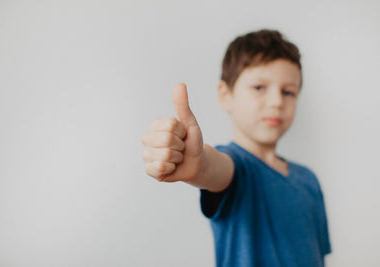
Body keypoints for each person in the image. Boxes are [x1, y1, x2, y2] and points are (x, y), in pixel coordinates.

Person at [141, 29, 332, 267]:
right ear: (225, 94)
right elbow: (213, 167)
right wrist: (198, 165)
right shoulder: (234, 166)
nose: (276, 102)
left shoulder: (309, 180)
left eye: (288, 92)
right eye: (259, 87)